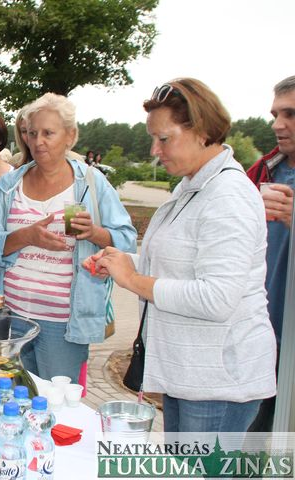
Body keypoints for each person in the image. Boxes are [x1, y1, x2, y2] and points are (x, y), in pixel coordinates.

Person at [90, 78, 277, 433]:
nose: (154, 150)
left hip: (217, 384)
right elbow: (177, 266)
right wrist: (122, 264)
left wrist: (133, 279)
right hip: (189, 374)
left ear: (202, 131)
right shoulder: (194, 187)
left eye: (164, 139)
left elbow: (216, 297)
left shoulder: (228, 196)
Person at [0, 93, 136, 383]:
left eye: (48, 133)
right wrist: (25, 236)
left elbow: (127, 241)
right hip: (11, 317)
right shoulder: (11, 184)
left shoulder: (90, 184)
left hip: (64, 325)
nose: (38, 142)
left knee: (57, 403)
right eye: (32, 133)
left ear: (70, 136)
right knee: (11, 396)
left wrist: (95, 233)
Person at [246, 75, 295, 432]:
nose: (278, 124)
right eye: (275, 114)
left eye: (290, 114)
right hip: (261, 337)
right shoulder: (263, 171)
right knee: (249, 440)